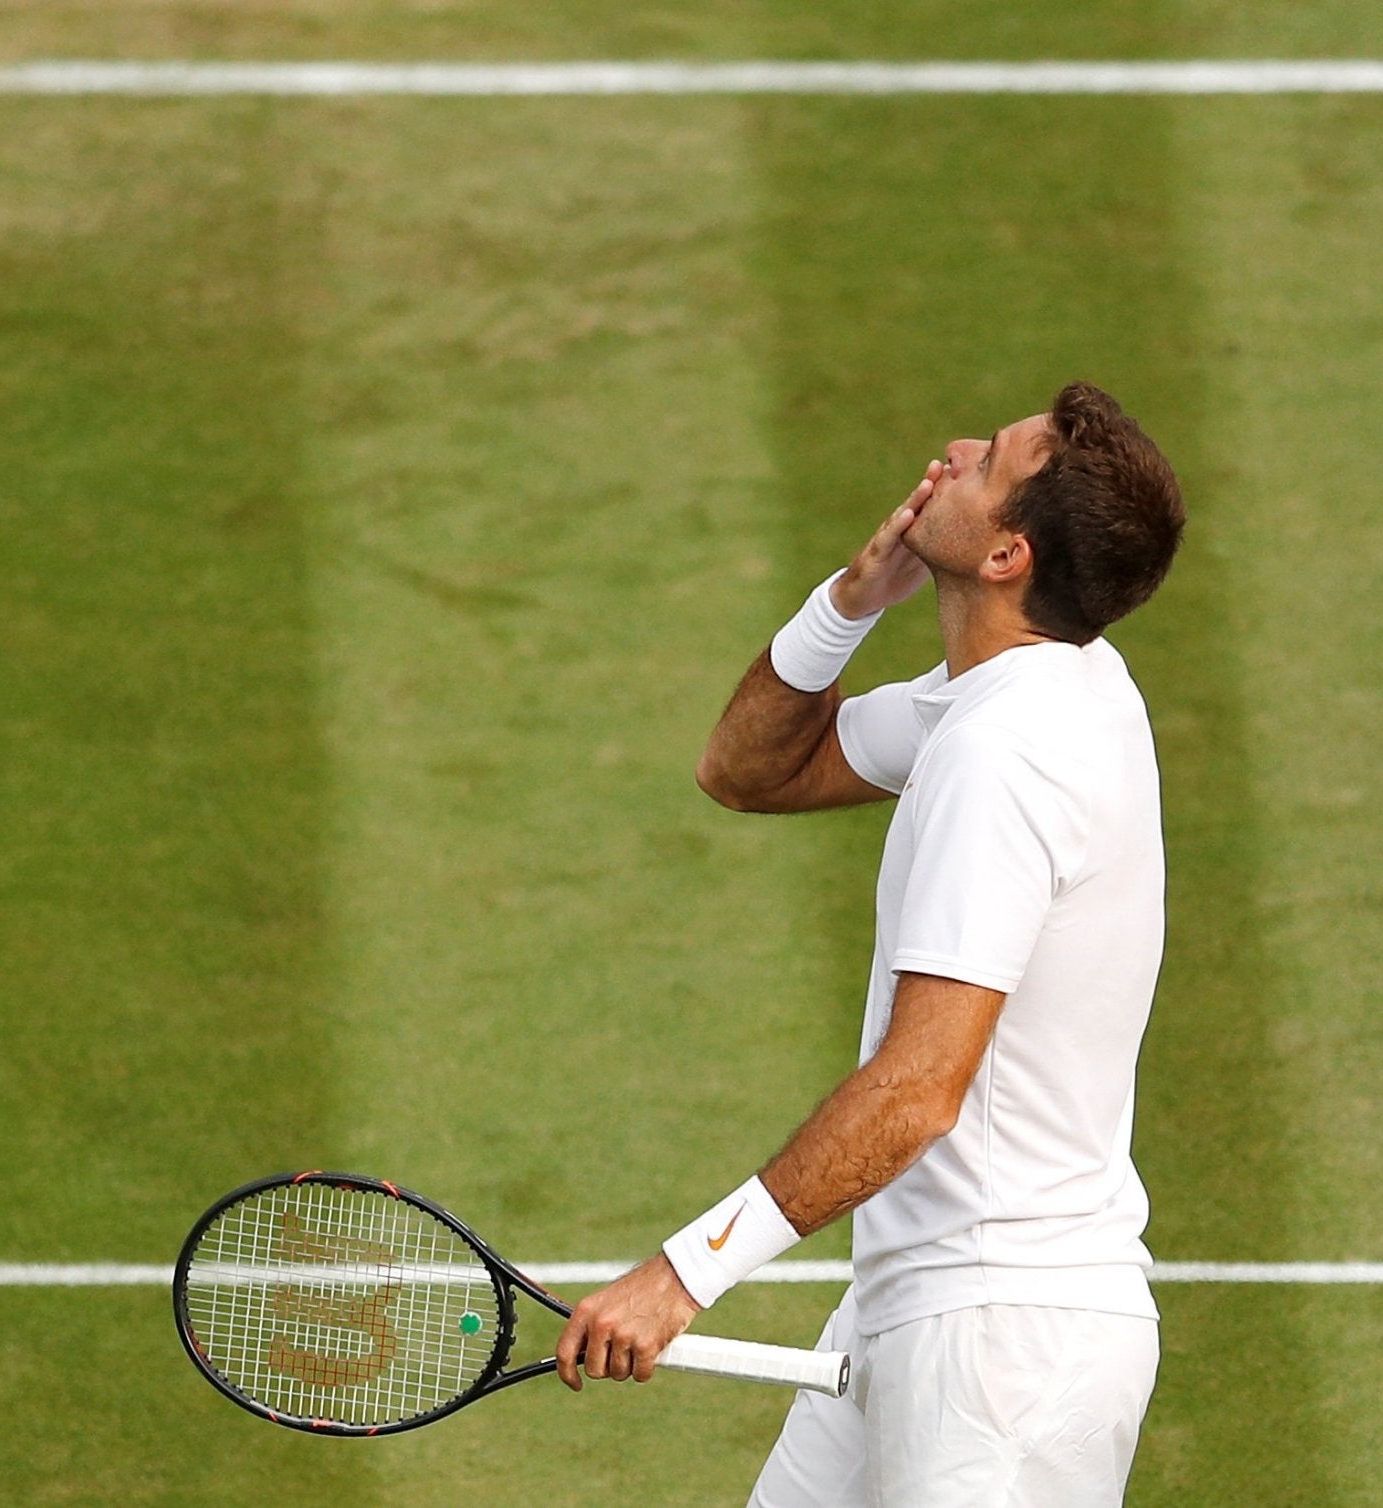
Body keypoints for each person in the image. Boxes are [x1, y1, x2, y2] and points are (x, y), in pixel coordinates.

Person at [553, 382, 1187, 1507]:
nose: (951, 450)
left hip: (1000, 1358)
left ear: (1005, 555)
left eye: (986, 461)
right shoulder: (1040, 685)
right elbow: (747, 770)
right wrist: (850, 600)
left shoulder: (1008, 760)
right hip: (926, 1309)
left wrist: (680, 1274)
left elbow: (915, 1090)